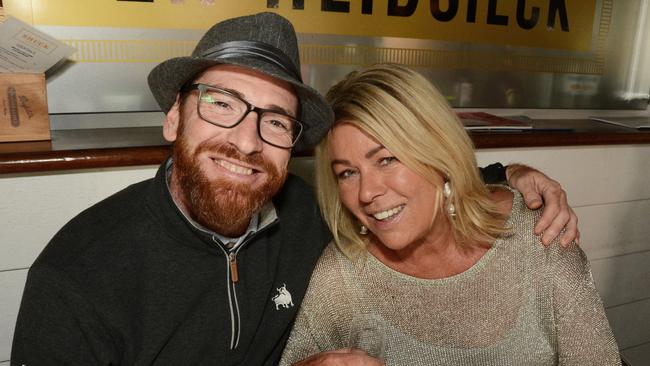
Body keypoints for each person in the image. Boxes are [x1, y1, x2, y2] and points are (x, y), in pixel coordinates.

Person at [11, 13, 577, 366]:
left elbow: (405, 188)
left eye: (275, 121)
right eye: (222, 103)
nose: (247, 140)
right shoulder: (78, 277)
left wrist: (507, 178)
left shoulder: (306, 213)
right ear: (174, 118)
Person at [279, 64, 620, 365]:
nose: (366, 193)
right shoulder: (342, 275)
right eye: (347, 173)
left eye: (386, 159)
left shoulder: (539, 235)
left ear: (438, 152)